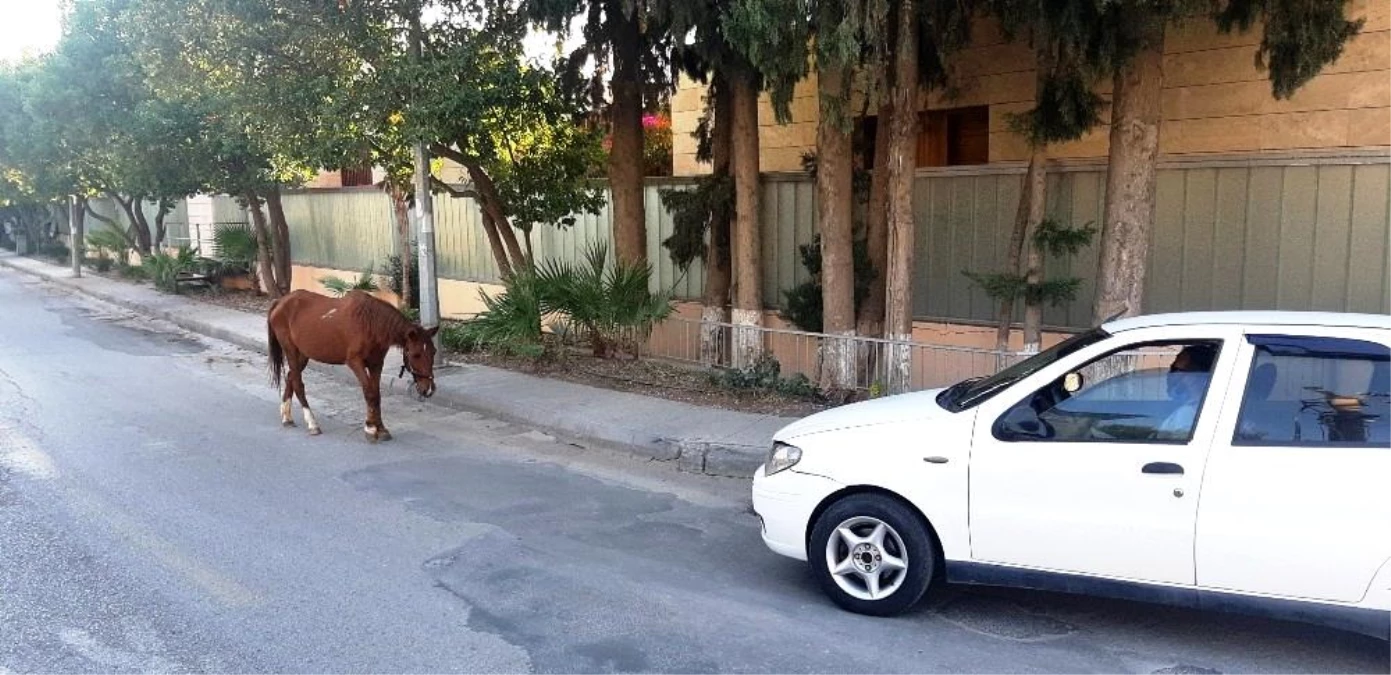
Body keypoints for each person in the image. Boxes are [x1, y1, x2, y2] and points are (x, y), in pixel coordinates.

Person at [1155, 345, 1218, 440]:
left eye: (1176, 370)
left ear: (1196, 375)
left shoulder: (1187, 415)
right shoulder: (1198, 408)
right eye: (1172, 368)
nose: (1170, 374)